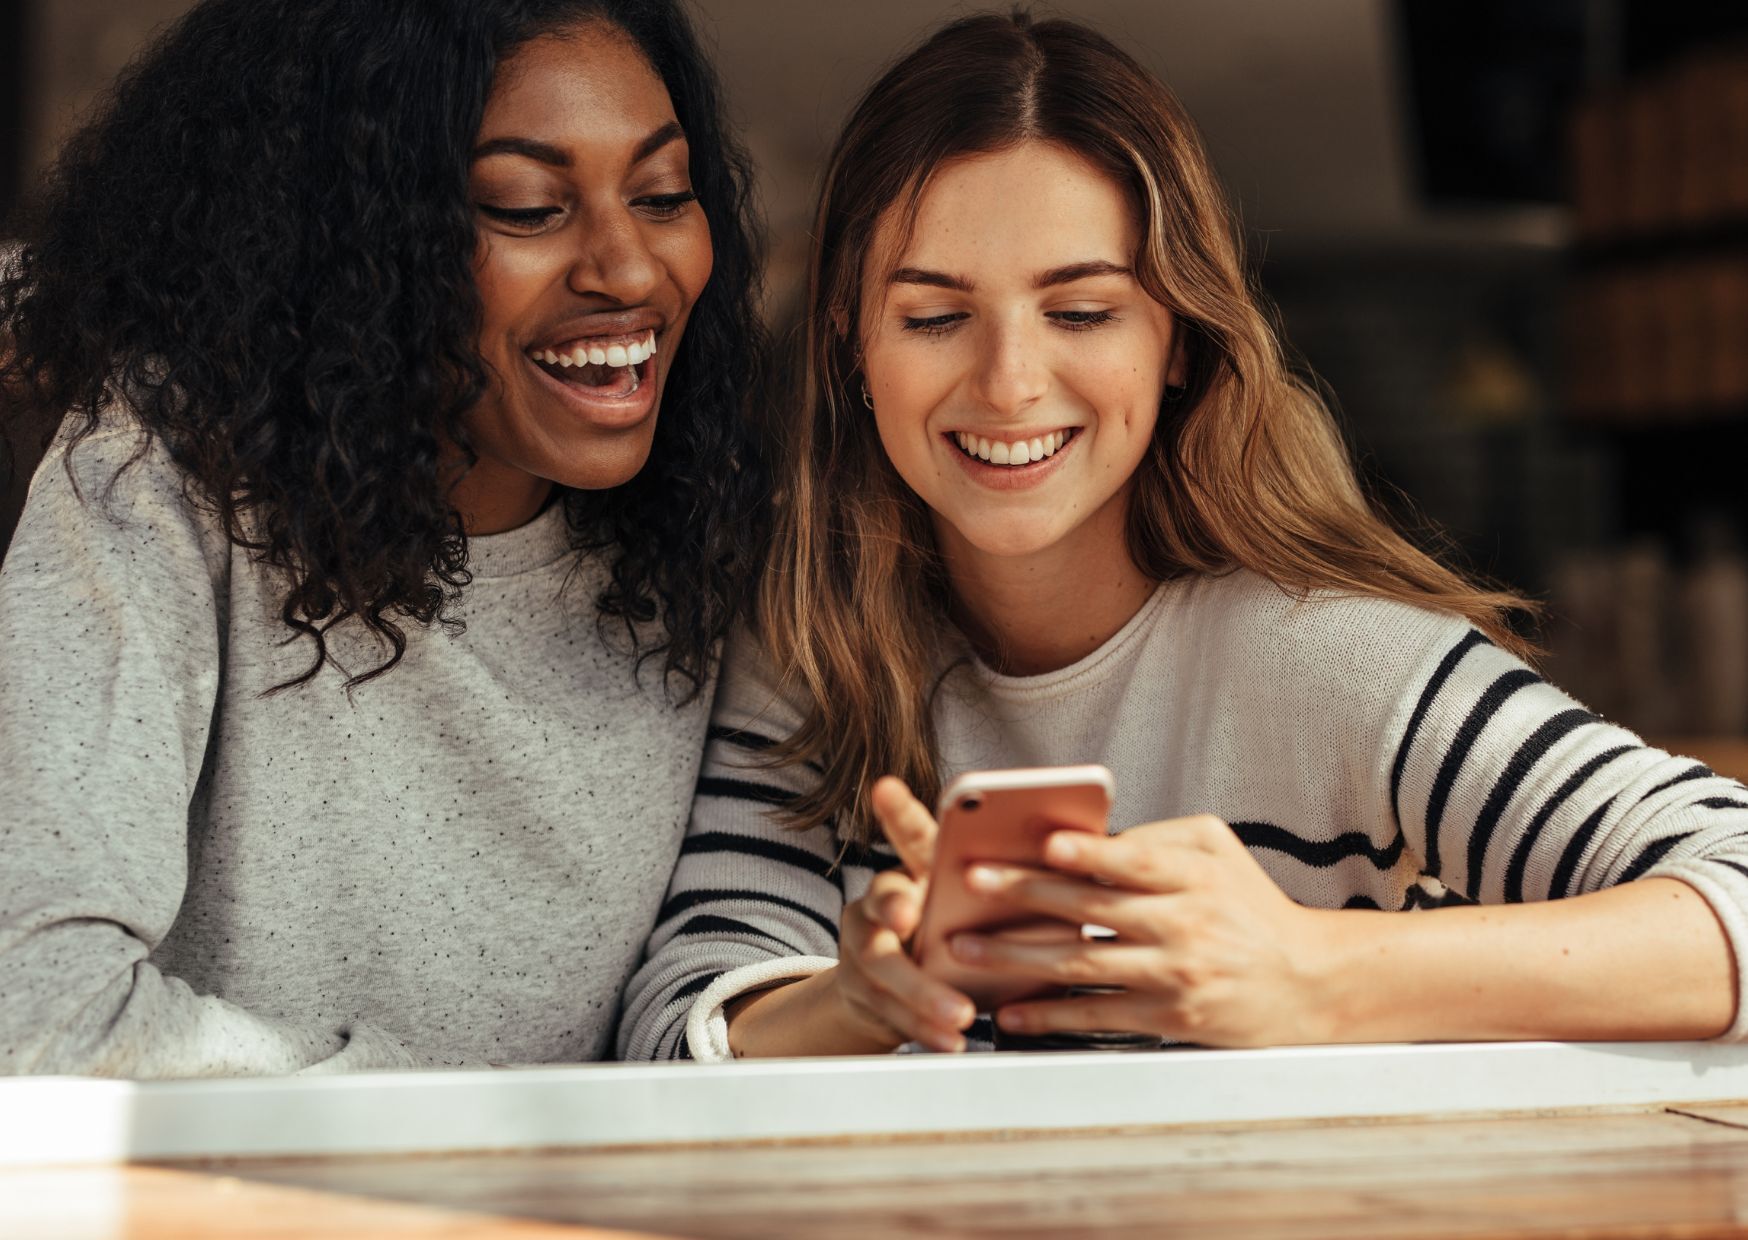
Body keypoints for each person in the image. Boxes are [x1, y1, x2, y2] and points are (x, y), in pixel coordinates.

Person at [618, 11, 1748, 1063]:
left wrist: (1317, 970)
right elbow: (679, 1018)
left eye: (1080, 310)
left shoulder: (1330, 662)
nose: (1009, 383)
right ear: (850, 346)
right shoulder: (812, 656)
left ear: (1176, 339)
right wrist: (846, 1002)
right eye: (933, 316)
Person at [0, 0, 766, 1076]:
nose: (630, 269)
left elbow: (717, 976)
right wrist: (430, 1126)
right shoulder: (158, 477)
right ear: (346, 240)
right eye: (526, 205)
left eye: (661, 195)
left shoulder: (708, 529)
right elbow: (32, 1013)